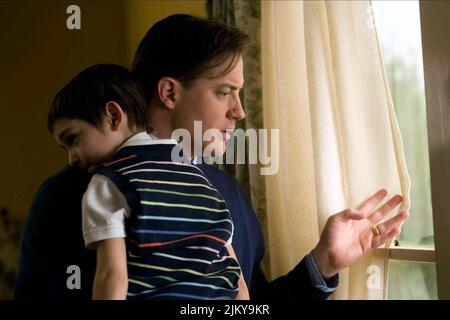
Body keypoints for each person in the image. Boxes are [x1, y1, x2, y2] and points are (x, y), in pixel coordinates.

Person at [14, 14, 409, 300]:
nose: (240, 111)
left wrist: (322, 263)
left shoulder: (228, 192)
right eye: (225, 92)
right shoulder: (67, 196)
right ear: (169, 93)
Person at [46, 63, 249, 300]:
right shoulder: (197, 174)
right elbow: (235, 275)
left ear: (113, 115)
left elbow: (112, 276)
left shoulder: (108, 182)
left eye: (72, 139)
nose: (71, 159)